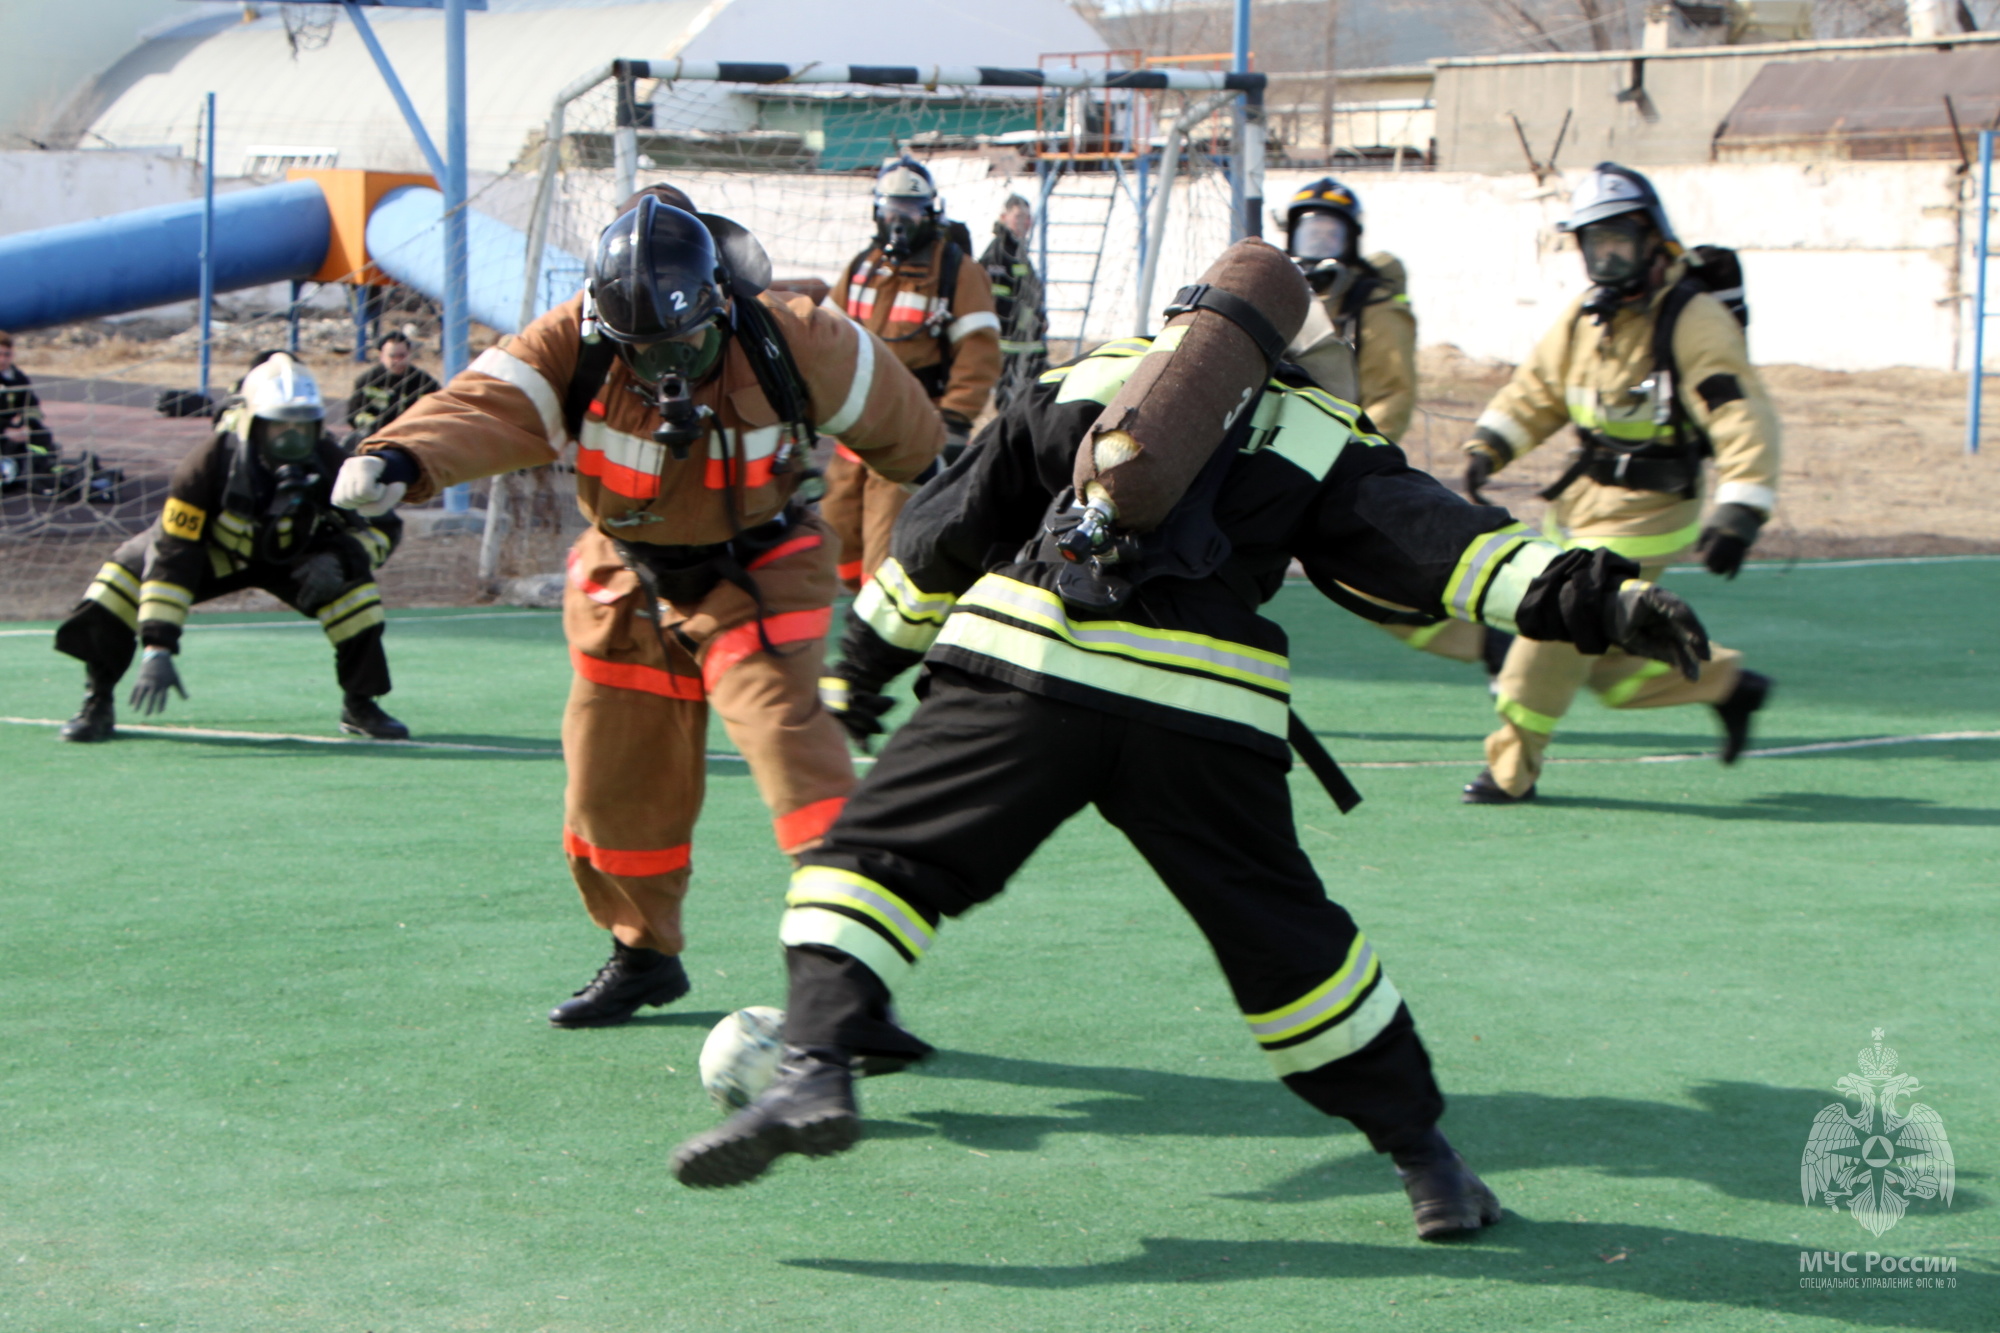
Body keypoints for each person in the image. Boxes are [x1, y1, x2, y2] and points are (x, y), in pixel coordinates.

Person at [667, 239, 1714, 1240]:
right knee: (1288, 942)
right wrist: (1603, 598)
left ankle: (812, 1064)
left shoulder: (1092, 379)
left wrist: (865, 667)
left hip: (1027, 664)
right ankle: (1425, 1160)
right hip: (1205, 709)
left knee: (875, 863)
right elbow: (1437, 550)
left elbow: (946, 530)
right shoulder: (1323, 432)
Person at [332, 186, 943, 1028]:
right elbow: (484, 402)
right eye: (643, 347)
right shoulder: (569, 344)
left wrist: (961, 512)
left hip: (754, 581)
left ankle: (849, 979)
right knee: (613, 785)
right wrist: (397, 456)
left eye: (686, 344)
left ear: (722, 302)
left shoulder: (796, 339)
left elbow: (909, 431)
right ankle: (643, 953)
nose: (666, 365)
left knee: (798, 764)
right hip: (627, 581)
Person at [1457, 163, 1778, 804]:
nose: (1607, 257)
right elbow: (1539, 389)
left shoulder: (1692, 319)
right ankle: (1726, 683)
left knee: (1549, 633)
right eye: (1593, 243)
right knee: (1608, 666)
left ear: (1652, 236)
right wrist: (1490, 444)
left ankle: (1512, 770)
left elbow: (1739, 411)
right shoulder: (1588, 317)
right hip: (1582, 505)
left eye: (1619, 241)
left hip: (1650, 510)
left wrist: (1742, 506)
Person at [52, 353, 407, 743]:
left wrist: (342, 560)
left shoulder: (330, 459)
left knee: (357, 599)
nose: (292, 438)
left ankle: (360, 705)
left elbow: (383, 526)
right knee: (117, 584)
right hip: (212, 554)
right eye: (279, 427)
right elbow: (173, 555)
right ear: (253, 424)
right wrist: (157, 646)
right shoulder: (206, 464)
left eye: (303, 428)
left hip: (293, 557)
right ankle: (97, 699)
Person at [1282, 178, 1509, 682]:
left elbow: (1392, 395)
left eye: (1331, 234)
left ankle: (1494, 643)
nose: (1318, 247)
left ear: (1353, 240)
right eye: (1308, 233)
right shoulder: (1288, 298)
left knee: (1373, 577)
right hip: (1284, 459)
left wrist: (1347, 460)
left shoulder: (1375, 308)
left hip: (1340, 468)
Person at [822, 156, 1000, 590]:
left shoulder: (956, 272)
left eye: (911, 210)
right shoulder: (862, 268)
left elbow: (979, 354)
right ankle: (852, 604)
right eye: (892, 210)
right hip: (855, 427)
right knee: (837, 529)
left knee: (887, 539)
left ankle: (879, 628)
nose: (900, 222)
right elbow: (826, 340)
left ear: (932, 212)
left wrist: (954, 418)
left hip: (914, 425)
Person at [977, 193, 1047, 414]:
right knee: (1012, 409)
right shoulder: (999, 252)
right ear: (1003, 217)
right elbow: (994, 299)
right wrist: (1024, 319)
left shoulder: (1018, 251)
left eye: (1027, 217)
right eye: (1018, 217)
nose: (1024, 223)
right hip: (1010, 348)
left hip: (1029, 346)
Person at [346, 332, 441, 441]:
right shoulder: (367, 381)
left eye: (402, 356)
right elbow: (353, 415)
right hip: (375, 436)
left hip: (414, 438)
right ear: (381, 356)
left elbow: (437, 413)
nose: (397, 361)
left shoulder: (425, 383)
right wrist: (375, 425)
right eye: (392, 356)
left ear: (409, 354)